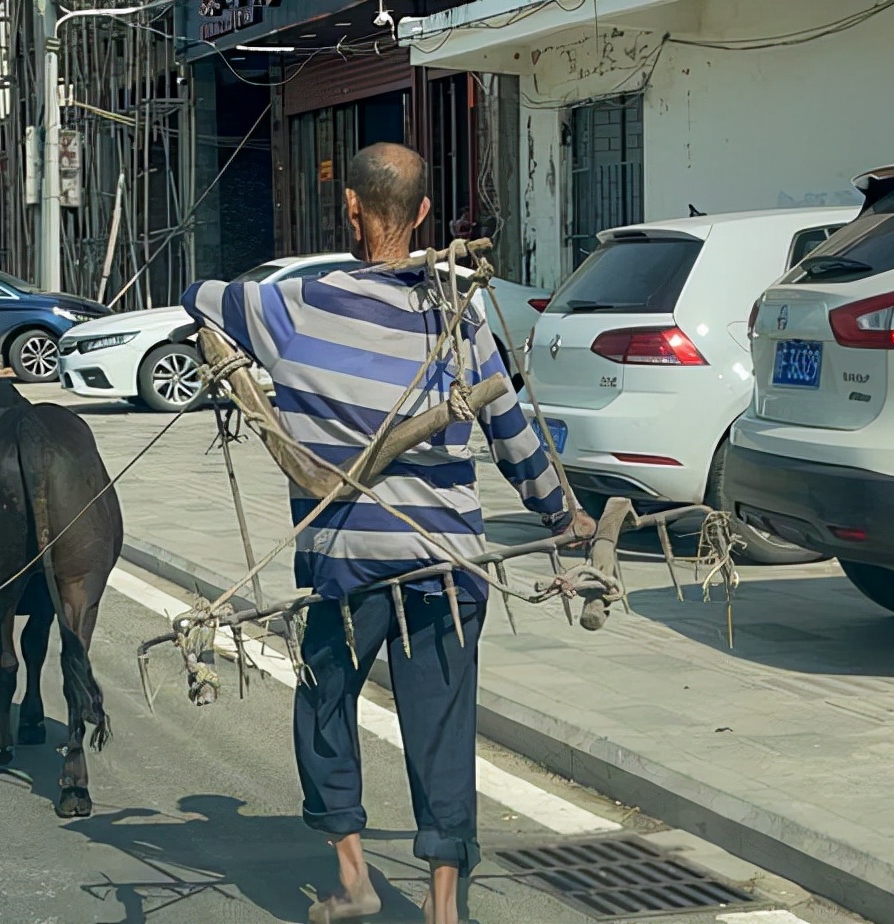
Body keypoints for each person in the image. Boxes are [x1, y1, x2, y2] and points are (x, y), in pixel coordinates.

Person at [180, 142, 591, 924]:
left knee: (324, 703)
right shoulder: (459, 325)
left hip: (347, 568)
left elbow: (197, 295)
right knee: (443, 727)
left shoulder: (296, 308)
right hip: (447, 564)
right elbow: (515, 441)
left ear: (352, 210)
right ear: (427, 217)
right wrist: (559, 517)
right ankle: (443, 909)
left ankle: (354, 879)